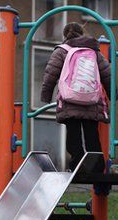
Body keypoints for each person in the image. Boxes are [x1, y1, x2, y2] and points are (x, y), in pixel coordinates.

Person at [41, 22, 111, 173]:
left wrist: (46, 95)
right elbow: (107, 73)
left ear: (65, 36)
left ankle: (77, 165)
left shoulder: (61, 51)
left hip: (69, 99)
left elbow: (50, 74)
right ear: (82, 33)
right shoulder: (94, 51)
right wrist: (113, 93)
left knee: (73, 134)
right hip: (91, 101)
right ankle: (97, 166)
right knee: (92, 133)